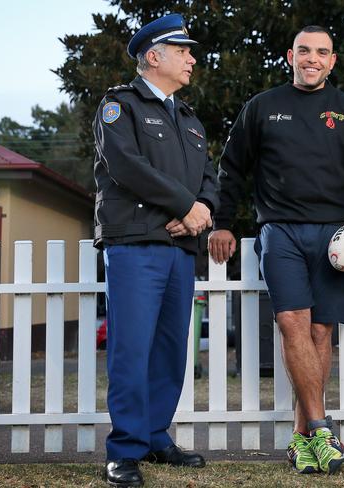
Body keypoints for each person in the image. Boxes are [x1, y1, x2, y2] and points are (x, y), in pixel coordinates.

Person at [208, 25, 344, 475]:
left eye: (322, 52)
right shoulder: (263, 107)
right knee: (293, 324)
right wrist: (224, 221)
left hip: (337, 237)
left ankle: (301, 439)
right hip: (281, 231)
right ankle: (323, 429)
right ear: (290, 55)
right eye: (304, 50)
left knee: (320, 333)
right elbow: (231, 168)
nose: (312, 58)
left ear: (333, 61)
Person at [93, 13, 218, 487]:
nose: (192, 58)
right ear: (153, 56)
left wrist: (202, 207)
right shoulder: (118, 106)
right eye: (183, 50)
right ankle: (124, 450)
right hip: (135, 244)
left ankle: (155, 435)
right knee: (131, 347)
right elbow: (126, 165)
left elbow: (209, 178)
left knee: (170, 349)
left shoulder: (189, 119)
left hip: (179, 248)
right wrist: (185, 204)